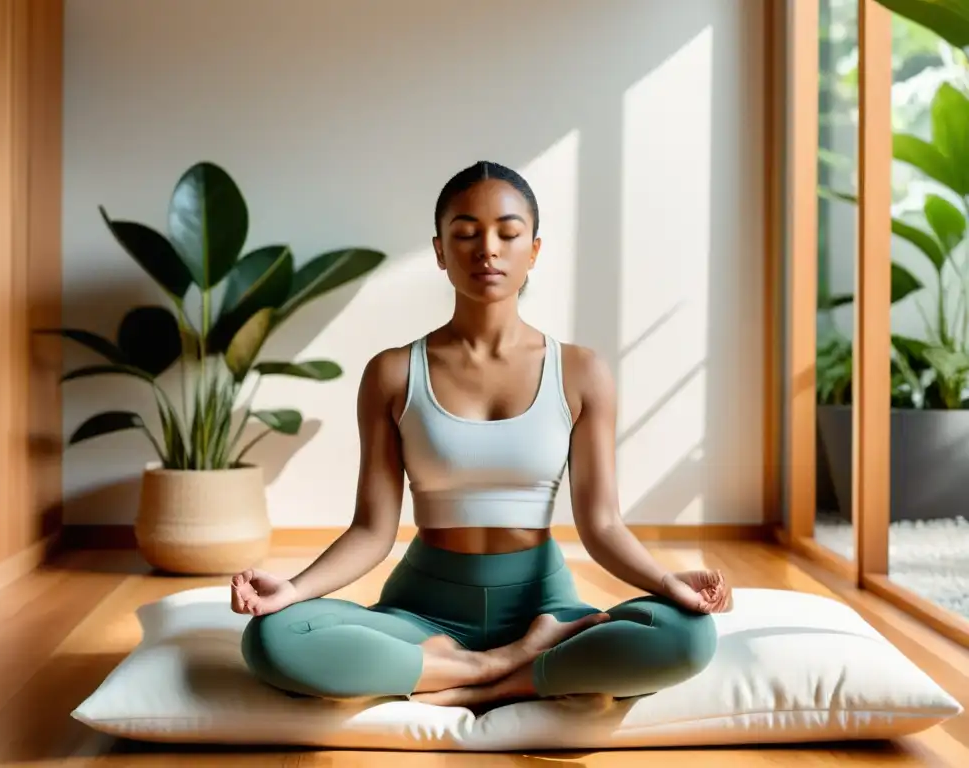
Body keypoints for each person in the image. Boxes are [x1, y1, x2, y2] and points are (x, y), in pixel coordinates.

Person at [230, 160, 732, 709]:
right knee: (273, 639)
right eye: (465, 234)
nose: (487, 249)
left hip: (545, 608)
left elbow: (603, 524)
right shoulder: (393, 372)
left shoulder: (582, 372)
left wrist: (667, 585)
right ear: (441, 252)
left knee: (688, 636)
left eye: (508, 233)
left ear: (533, 251)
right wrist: (294, 590)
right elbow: (373, 530)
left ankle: (474, 681)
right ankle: (505, 667)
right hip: (422, 613)